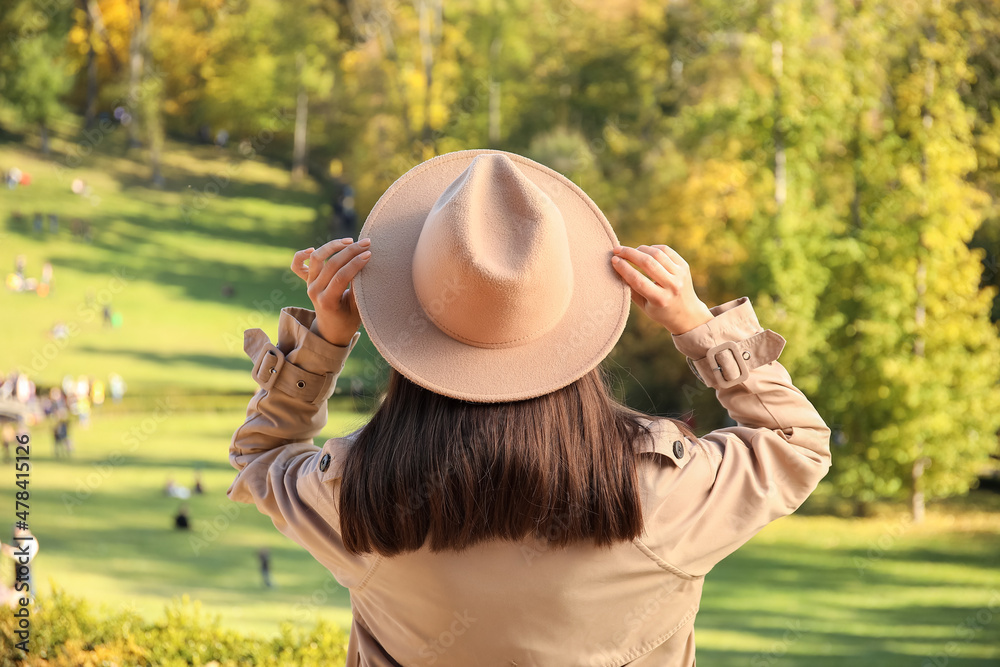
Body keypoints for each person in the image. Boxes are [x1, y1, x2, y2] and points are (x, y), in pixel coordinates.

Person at [227, 150, 831, 665]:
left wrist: (322, 344)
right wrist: (700, 327)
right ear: (575, 329)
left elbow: (263, 456)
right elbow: (797, 444)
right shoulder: (663, 490)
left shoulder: (358, 497)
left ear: (406, 328)